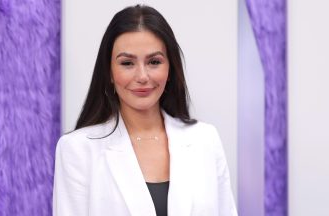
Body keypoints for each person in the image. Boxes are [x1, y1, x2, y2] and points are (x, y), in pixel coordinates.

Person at [52, 4, 237, 216]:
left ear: (170, 69)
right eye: (128, 63)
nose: (142, 76)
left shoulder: (206, 139)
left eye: (154, 62)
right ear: (109, 72)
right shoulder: (77, 150)